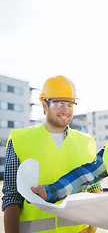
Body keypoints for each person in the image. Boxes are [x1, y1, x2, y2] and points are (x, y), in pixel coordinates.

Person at [2, 75, 100, 233]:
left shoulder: (86, 142)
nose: (66, 110)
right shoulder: (20, 140)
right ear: (44, 105)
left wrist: (91, 229)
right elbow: (11, 196)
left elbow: (94, 189)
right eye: (59, 103)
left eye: (70, 104)